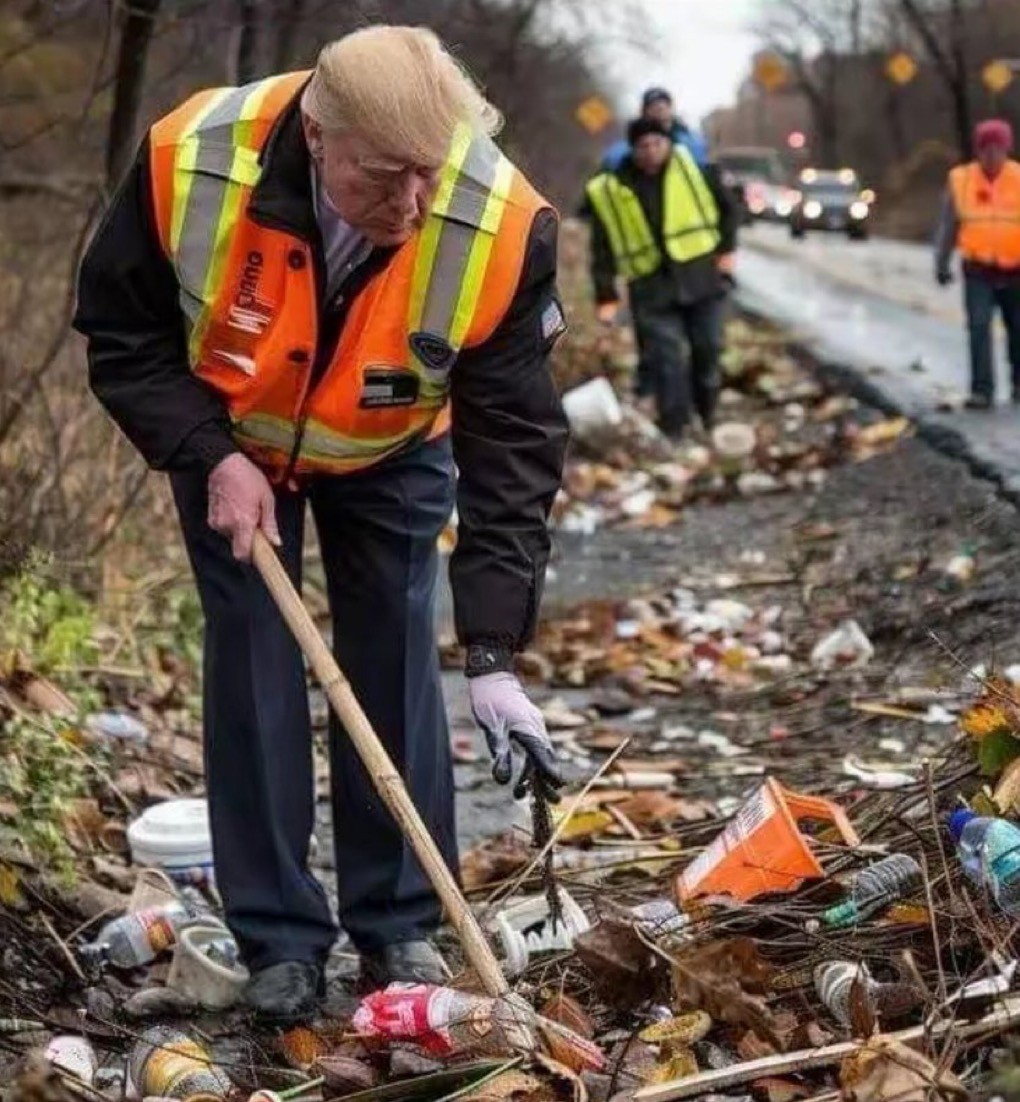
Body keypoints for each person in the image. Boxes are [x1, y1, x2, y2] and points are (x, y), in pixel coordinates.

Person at [73, 26, 569, 1021]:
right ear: (316, 135)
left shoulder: (503, 224)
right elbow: (123, 334)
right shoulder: (189, 158)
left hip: (394, 443)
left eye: (430, 173)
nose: (415, 204)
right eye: (386, 177)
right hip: (232, 442)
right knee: (254, 653)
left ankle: (398, 923)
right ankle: (279, 940)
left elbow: (514, 447)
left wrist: (494, 654)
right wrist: (207, 454)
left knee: (393, 648)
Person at [586, 117, 738, 438]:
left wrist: (726, 253)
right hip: (651, 288)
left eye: (658, 143)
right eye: (644, 146)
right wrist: (606, 296)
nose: (651, 151)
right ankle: (675, 427)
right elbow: (602, 248)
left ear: (668, 143)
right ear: (633, 149)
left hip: (701, 279)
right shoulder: (612, 188)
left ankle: (706, 414)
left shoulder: (695, 170)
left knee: (708, 351)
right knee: (667, 362)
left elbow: (730, 210)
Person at [935, 118, 1020, 410]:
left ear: (1007, 149)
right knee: (979, 327)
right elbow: (948, 226)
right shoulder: (961, 180)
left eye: (998, 149)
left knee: (1018, 329)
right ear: (978, 151)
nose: (992, 155)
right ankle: (982, 389)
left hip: (1015, 271)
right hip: (978, 271)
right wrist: (942, 262)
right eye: (986, 149)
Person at [601, 87, 709, 172]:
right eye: (653, 107)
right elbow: (612, 161)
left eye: (663, 106)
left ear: (671, 109)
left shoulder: (692, 141)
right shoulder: (627, 147)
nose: (659, 111)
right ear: (644, 113)